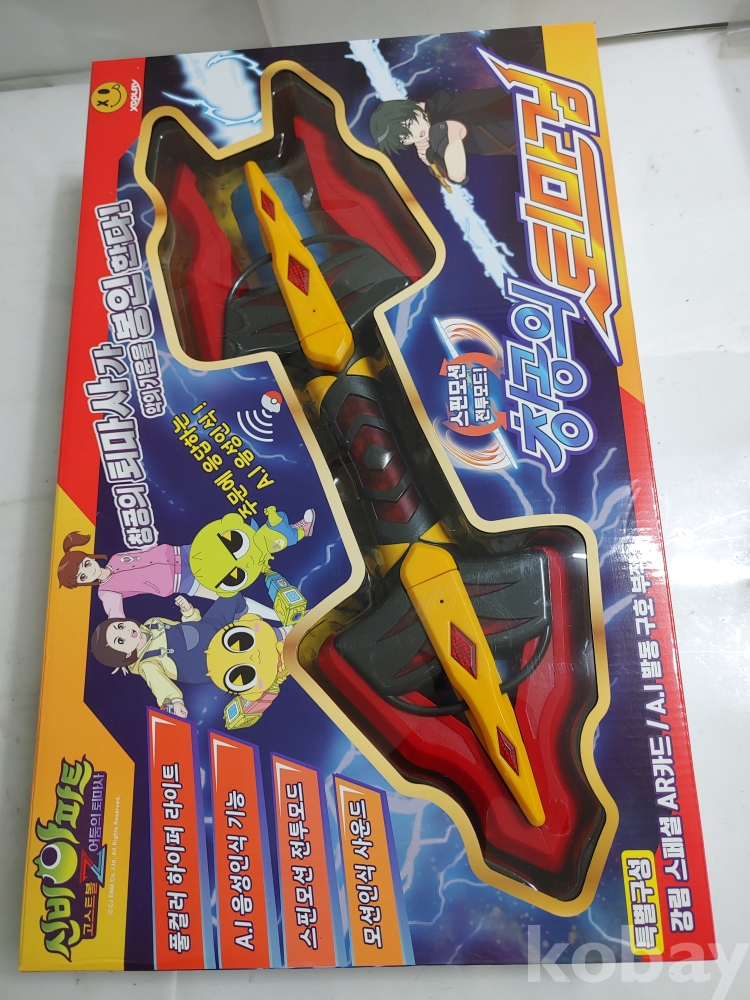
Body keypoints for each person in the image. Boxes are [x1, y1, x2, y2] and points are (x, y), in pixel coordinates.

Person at [89, 594, 287, 718]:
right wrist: (174, 703)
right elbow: (160, 686)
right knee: (254, 650)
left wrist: (188, 611)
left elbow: (188, 627)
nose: (126, 632)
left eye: (120, 626)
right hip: (208, 658)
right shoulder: (147, 664)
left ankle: (277, 618)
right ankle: (281, 635)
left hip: (208, 628)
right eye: (120, 640)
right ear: (123, 654)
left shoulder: (152, 623)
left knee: (231, 598)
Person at [369, 89, 516, 185]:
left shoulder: (441, 114)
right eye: (405, 138)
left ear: (415, 110)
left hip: (511, 120)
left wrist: (432, 154)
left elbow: (457, 174)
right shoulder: (432, 133)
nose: (415, 133)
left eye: (410, 123)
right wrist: (430, 159)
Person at [57, 531, 217, 618]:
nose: (90, 570)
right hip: (181, 581)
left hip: (182, 553)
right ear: (82, 585)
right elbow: (115, 616)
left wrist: (151, 541)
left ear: (90, 557)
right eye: (83, 577)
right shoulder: (106, 591)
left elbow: (142, 552)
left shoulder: (115, 558)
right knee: (221, 593)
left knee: (222, 549)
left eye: (86, 564)